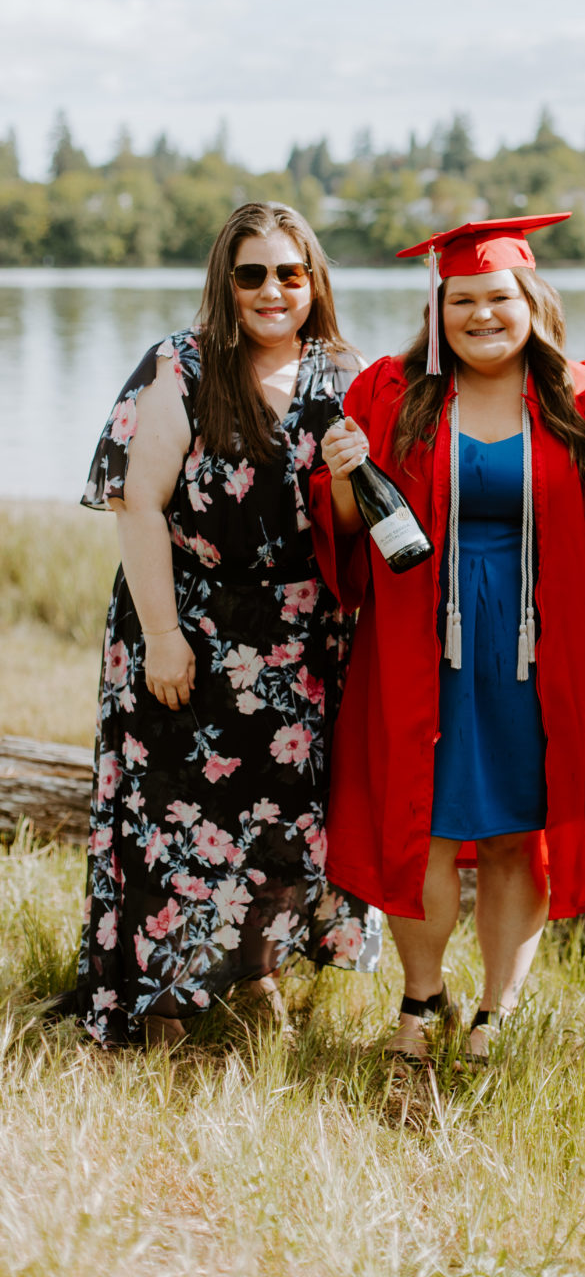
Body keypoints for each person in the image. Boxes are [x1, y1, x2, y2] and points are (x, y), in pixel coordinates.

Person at [310, 215, 585, 1060]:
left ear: (532, 301)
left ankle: (495, 1014)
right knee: (426, 825)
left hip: (536, 655)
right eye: (462, 300)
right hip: (419, 647)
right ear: (438, 310)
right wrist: (343, 476)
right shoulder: (390, 394)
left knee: (522, 831)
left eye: (498, 297)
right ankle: (421, 999)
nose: (482, 314)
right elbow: (345, 532)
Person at [75, 201, 381, 1047]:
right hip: (191, 619)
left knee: (286, 814)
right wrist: (164, 636)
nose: (273, 290)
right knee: (172, 810)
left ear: (314, 279)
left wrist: (351, 477)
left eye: (290, 272)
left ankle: (254, 979)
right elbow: (137, 502)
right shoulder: (182, 364)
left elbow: (347, 528)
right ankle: (163, 997)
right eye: (253, 274)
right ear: (227, 281)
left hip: (303, 634)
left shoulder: (347, 375)